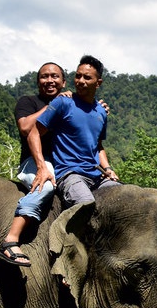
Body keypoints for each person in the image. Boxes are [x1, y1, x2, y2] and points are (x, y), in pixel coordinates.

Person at [30, 54, 119, 230]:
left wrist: (108, 169)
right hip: (70, 174)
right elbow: (34, 132)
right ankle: (62, 242)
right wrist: (41, 167)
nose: (80, 81)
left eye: (87, 77)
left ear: (98, 83)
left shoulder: (101, 112)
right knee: (86, 204)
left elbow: (98, 146)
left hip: (97, 176)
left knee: (124, 199)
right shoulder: (64, 102)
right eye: (78, 76)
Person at [0, 62, 67, 266]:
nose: (50, 80)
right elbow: (26, 127)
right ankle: (10, 240)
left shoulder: (69, 103)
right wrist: (53, 106)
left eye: (55, 76)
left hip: (63, 165)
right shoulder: (28, 101)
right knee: (44, 186)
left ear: (63, 82)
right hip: (34, 163)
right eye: (45, 77)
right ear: (38, 82)